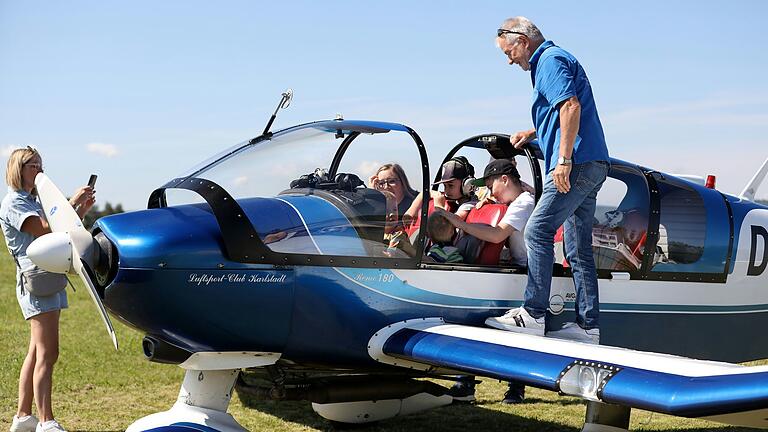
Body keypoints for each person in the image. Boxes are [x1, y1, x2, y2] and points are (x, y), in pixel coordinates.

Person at [485, 16, 610, 344]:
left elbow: (570, 106)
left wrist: (564, 161)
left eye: (508, 52)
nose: (509, 60)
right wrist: (535, 132)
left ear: (522, 42)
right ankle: (588, 327)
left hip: (576, 166)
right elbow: (563, 115)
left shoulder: (549, 62)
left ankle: (533, 313)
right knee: (577, 248)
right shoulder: (556, 59)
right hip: (593, 163)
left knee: (538, 230)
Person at [2, 147, 95, 432]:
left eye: (41, 165)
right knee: (48, 353)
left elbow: (58, 231)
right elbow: (44, 228)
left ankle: (23, 417)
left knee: (36, 351)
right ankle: (46, 421)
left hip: (46, 278)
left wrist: (79, 210)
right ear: (18, 169)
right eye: (33, 165)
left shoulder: (32, 200)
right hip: (36, 281)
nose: (39, 170)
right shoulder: (15, 203)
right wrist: (71, 202)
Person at [435, 159, 534, 404]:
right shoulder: (514, 201)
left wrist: (460, 223)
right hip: (516, 267)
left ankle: (514, 387)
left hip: (528, 272)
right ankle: (466, 382)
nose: (489, 191)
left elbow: (498, 233)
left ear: (504, 180)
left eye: (491, 185)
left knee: (518, 332)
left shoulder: (524, 203)